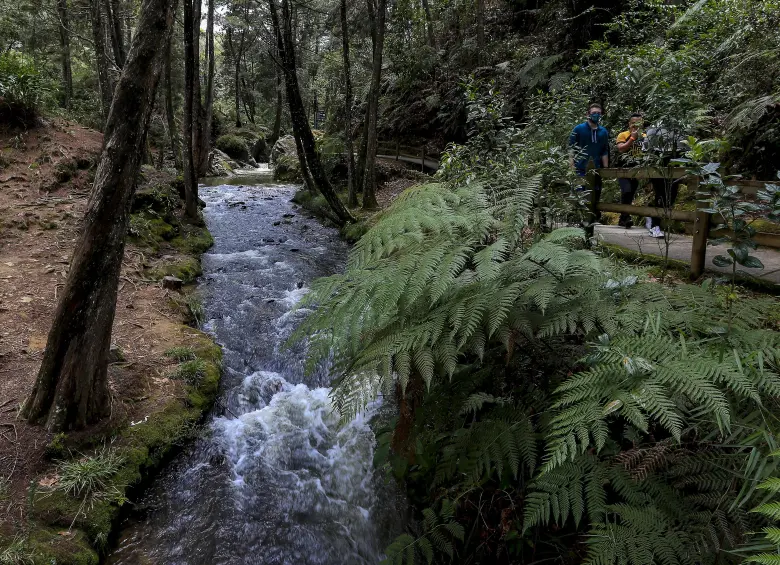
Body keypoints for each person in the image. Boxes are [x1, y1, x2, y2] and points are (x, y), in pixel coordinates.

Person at [644, 125, 687, 239]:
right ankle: (655, 226)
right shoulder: (654, 129)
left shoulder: (678, 128)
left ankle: (651, 215)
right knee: (661, 195)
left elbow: (685, 148)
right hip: (657, 165)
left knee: (671, 197)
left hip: (673, 164)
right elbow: (647, 149)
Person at [569, 103, 610, 216]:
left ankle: (592, 219)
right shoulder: (578, 129)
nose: (596, 115)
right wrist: (571, 165)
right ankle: (581, 219)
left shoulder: (603, 132)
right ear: (588, 114)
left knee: (595, 194)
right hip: (580, 168)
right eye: (594, 113)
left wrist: (605, 169)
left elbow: (604, 150)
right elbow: (571, 148)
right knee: (581, 195)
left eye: (598, 113)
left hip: (597, 169)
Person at [615, 113, 647, 229]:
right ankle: (625, 217)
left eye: (638, 123)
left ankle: (624, 218)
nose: (635, 125)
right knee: (626, 191)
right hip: (623, 169)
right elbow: (621, 149)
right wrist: (633, 138)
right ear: (629, 124)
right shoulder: (623, 135)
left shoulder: (644, 136)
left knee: (631, 193)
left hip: (637, 169)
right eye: (633, 123)